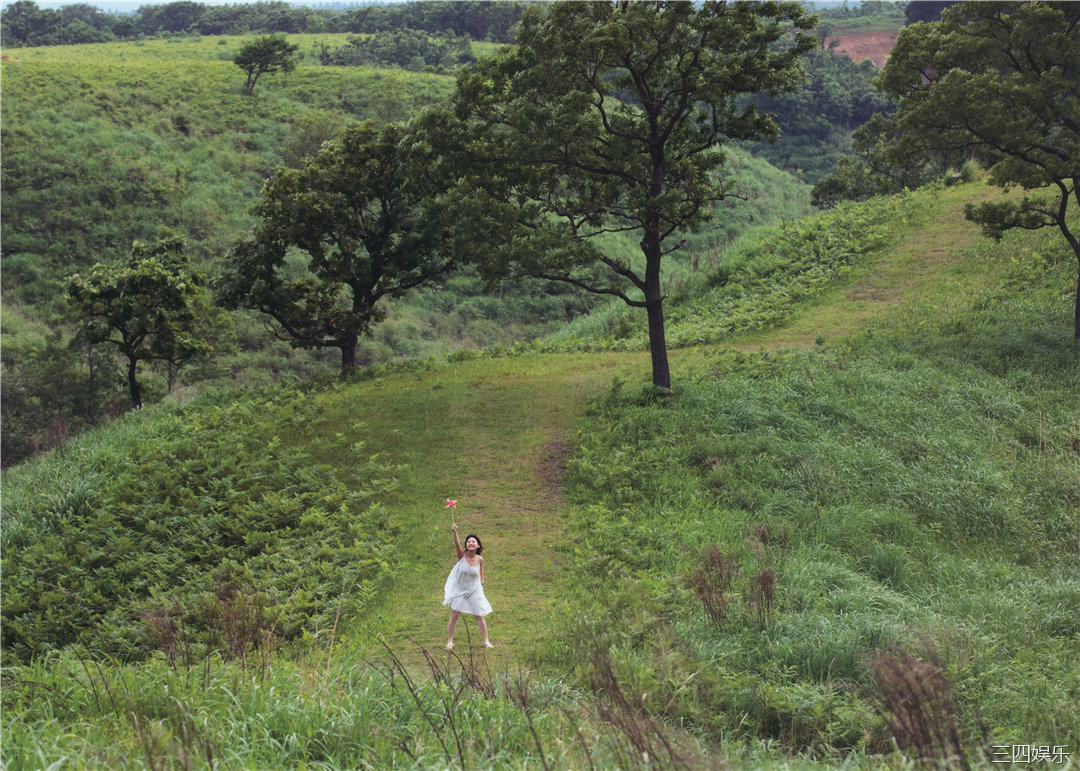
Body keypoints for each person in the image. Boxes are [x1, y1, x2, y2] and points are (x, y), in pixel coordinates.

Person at [443, 523, 494, 649]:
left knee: (479, 615)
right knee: (454, 615)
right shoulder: (462, 556)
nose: (471, 543)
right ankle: (450, 641)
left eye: (473, 542)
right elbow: (457, 545)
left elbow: (480, 573)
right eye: (468, 542)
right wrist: (455, 532)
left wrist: (481, 582)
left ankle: (486, 641)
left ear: (478, 545)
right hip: (460, 590)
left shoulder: (480, 559)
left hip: (474, 590)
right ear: (466, 545)